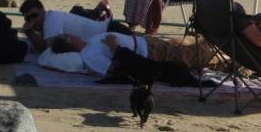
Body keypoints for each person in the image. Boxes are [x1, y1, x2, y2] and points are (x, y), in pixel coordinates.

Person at [50, 31, 212, 76]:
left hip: (144, 42)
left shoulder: (89, 43)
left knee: (186, 47)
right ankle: (222, 59)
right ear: (72, 42)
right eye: (70, 35)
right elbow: (112, 69)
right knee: (189, 55)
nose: (74, 34)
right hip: (147, 53)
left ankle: (215, 51)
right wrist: (114, 47)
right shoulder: (88, 55)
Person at [19, 0, 130, 53]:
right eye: (28, 18)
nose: (32, 21)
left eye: (34, 15)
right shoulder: (44, 23)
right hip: (107, 34)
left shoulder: (51, 18)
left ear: (42, 10)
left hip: (111, 32)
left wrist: (29, 32)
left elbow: (45, 50)